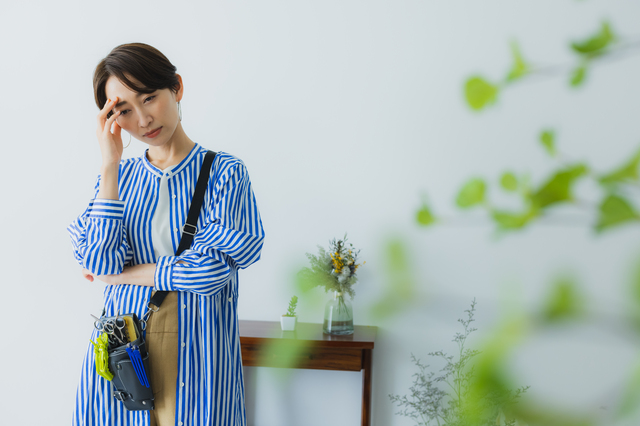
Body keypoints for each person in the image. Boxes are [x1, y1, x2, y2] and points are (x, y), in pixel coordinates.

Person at [67, 42, 265, 426]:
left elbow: (208, 273)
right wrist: (110, 164)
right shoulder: (117, 180)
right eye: (124, 110)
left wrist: (121, 276)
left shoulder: (224, 173)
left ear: (176, 88)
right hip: (123, 359)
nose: (143, 119)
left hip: (197, 355)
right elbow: (99, 261)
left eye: (149, 98)